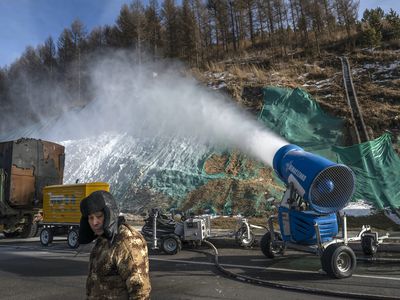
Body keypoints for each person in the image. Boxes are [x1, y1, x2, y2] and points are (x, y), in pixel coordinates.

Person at [79, 190, 151, 300]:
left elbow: (139, 291)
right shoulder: (103, 239)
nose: (95, 222)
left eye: (99, 216)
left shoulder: (127, 241)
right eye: (91, 218)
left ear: (110, 214)